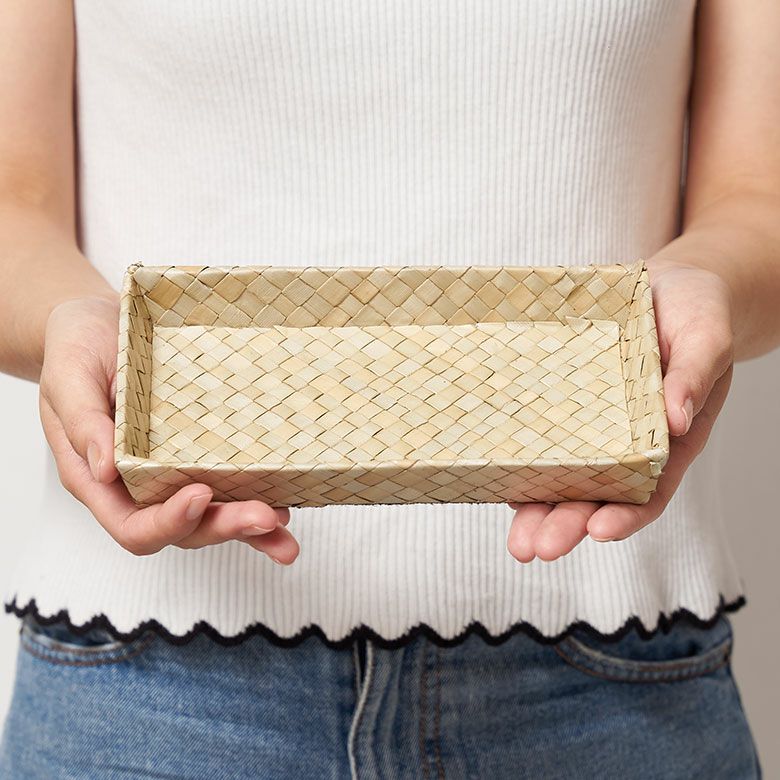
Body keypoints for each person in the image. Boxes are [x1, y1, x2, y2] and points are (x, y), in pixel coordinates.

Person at [0, 1, 776, 776]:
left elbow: (758, 200)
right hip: (144, 683)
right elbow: (13, 201)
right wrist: (67, 322)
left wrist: (707, 282)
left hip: (614, 670)